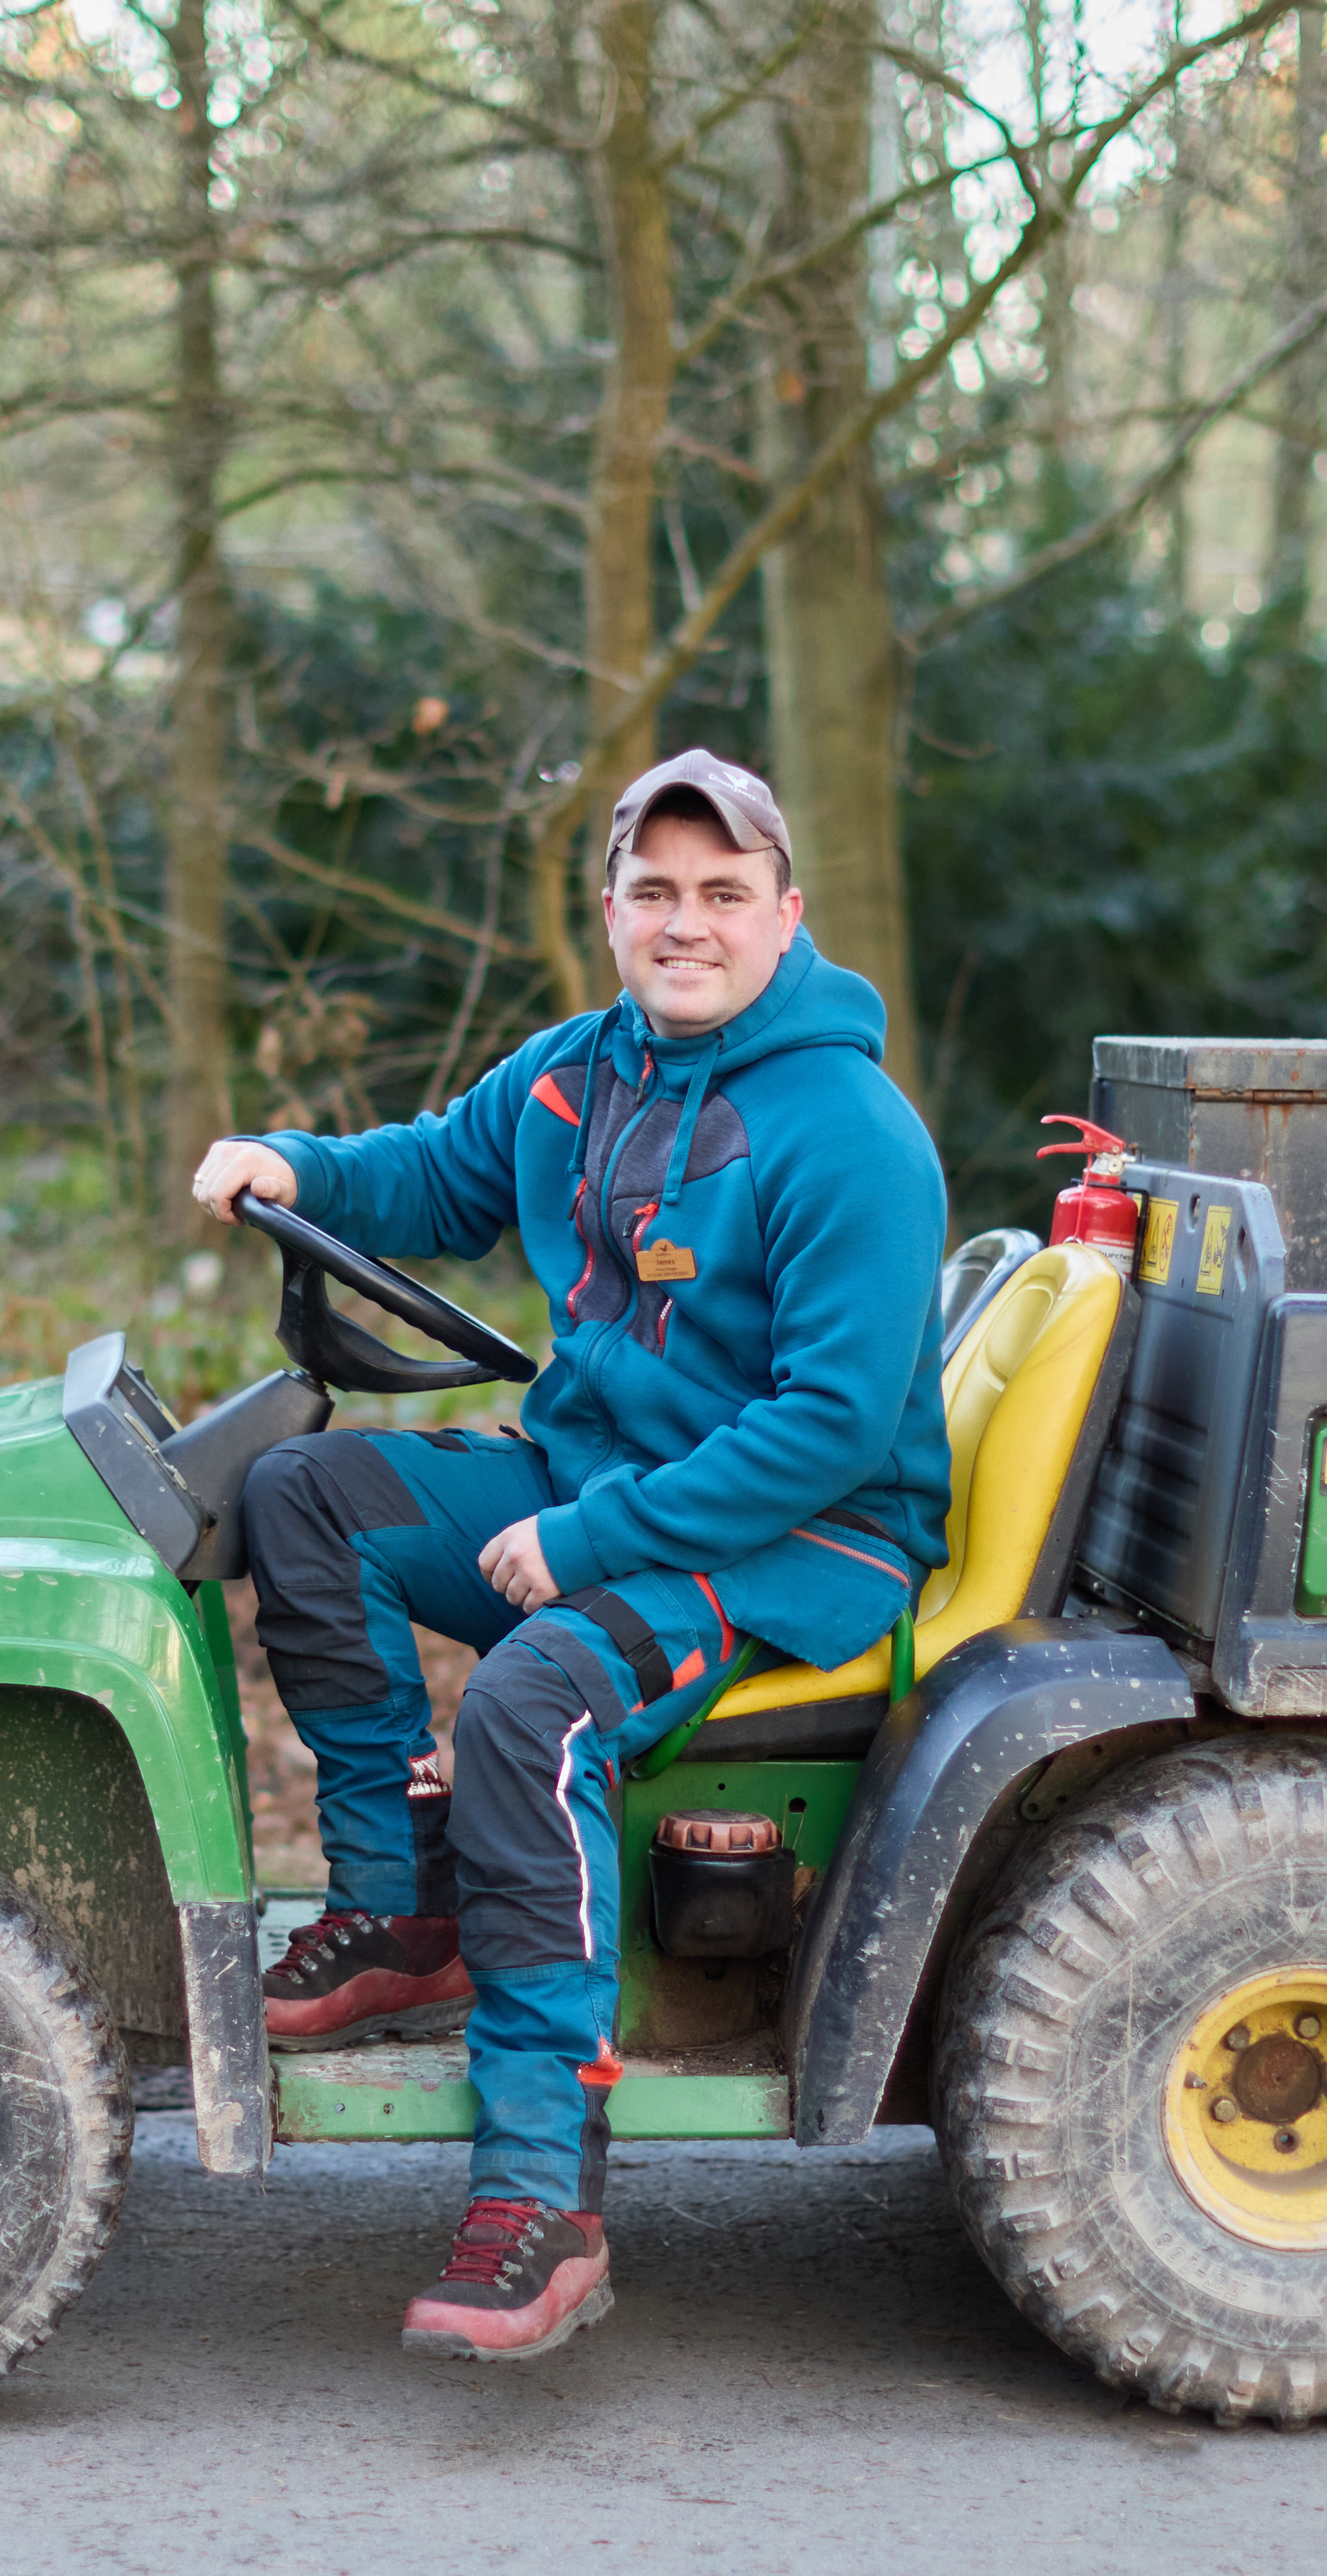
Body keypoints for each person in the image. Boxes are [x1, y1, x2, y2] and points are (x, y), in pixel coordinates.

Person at [189, 749, 951, 2364]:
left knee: (537, 1697)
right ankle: (400, 1919)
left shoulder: (850, 1135)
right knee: (306, 1496)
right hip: (599, 1482)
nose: (688, 926)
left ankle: (542, 2193)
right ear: (610, 911)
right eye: (656, 894)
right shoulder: (577, 1074)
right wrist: (296, 1165)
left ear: (786, 912)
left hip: (797, 1547)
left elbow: (826, 1430)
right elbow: (434, 1175)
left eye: (723, 895)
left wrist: (589, 1539)